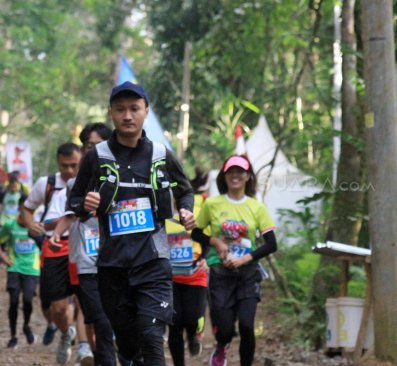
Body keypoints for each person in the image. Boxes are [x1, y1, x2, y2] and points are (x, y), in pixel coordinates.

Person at [68, 81, 195, 365]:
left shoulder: (161, 155)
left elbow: (185, 190)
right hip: (113, 265)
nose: (128, 116)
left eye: (134, 109)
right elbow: (74, 200)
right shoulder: (97, 157)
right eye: (120, 109)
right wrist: (85, 204)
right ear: (111, 113)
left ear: (146, 111)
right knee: (127, 342)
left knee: (151, 336)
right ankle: (129, 356)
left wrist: (186, 211)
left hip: (153, 260)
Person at [191, 155, 277, 366]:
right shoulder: (212, 204)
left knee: (247, 326)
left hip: (248, 275)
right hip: (221, 274)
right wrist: (216, 243)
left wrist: (245, 259)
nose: (235, 175)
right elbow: (195, 233)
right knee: (226, 329)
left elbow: (271, 243)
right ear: (224, 176)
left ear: (248, 176)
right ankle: (222, 346)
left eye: (240, 172)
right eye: (231, 172)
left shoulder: (256, 207)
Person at [51, 122, 116, 366]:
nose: (95, 151)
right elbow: (70, 213)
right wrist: (56, 234)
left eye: (100, 146)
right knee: (96, 316)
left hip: (118, 259)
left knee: (113, 318)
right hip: (85, 259)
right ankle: (95, 355)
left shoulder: (122, 180)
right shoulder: (74, 184)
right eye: (90, 146)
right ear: (83, 149)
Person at [19, 142, 82, 364]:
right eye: (65, 166)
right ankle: (66, 332)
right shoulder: (47, 184)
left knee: (86, 302)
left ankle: (86, 348)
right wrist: (31, 225)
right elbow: (26, 210)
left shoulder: (90, 180)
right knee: (56, 307)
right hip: (54, 246)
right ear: (58, 162)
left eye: (74, 165)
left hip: (83, 246)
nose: (70, 171)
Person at [166, 168, 211, 366]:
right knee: (175, 324)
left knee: (192, 319)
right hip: (170, 277)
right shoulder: (162, 215)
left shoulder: (198, 214)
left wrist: (206, 258)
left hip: (195, 273)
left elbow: (208, 239)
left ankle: (194, 334)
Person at [0, 195, 40, 348]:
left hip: (32, 270)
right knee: (13, 301)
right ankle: (13, 336)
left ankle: (26, 325)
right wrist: (3, 257)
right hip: (14, 268)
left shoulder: (37, 227)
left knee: (27, 300)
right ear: (21, 208)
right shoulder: (11, 225)